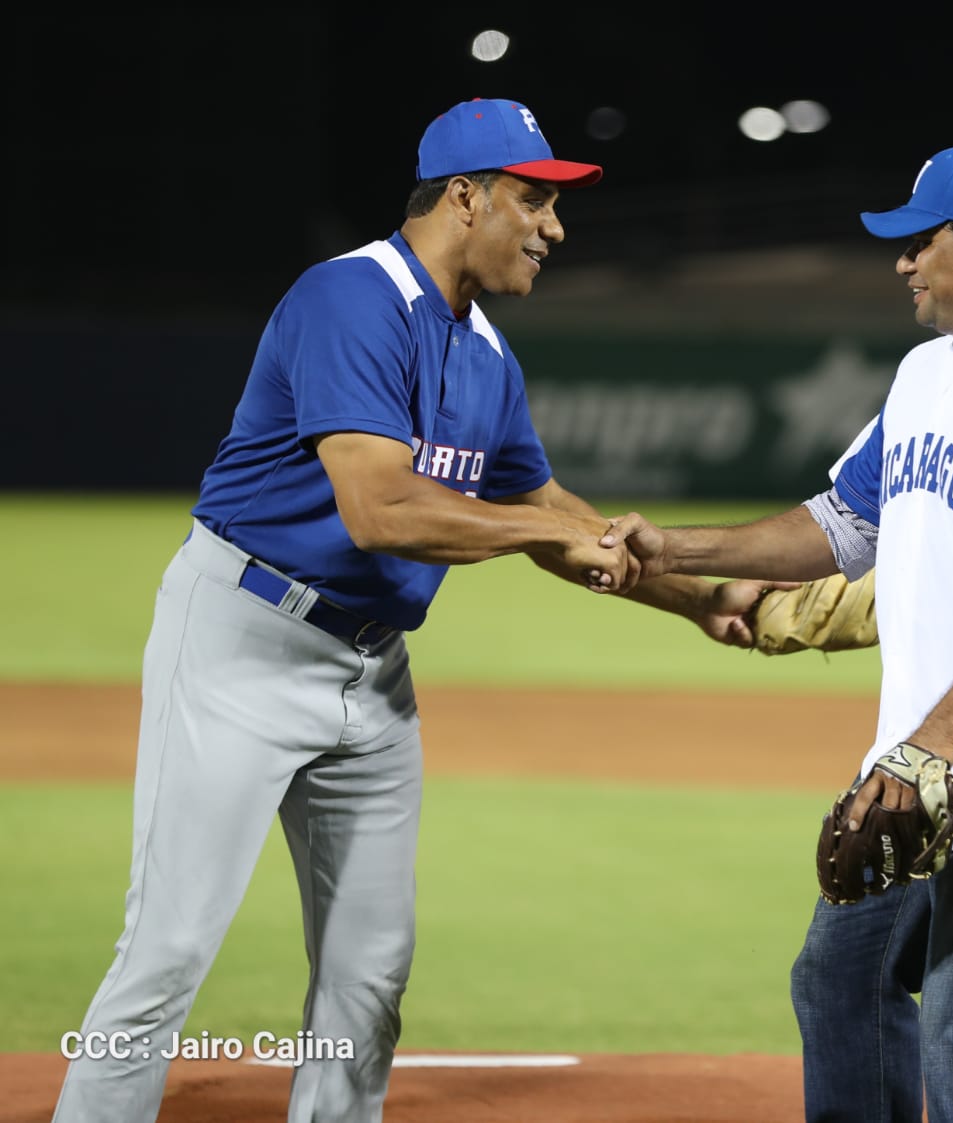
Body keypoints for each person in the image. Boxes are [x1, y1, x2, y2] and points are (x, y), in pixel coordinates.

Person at [51, 97, 785, 1123]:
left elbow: (550, 509)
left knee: (370, 972)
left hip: (374, 675)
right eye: (535, 200)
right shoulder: (350, 298)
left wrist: (699, 601)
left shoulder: (484, 352)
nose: (555, 227)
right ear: (464, 198)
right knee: (168, 948)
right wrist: (539, 533)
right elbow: (381, 510)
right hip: (244, 641)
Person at [602, 139, 953, 1121]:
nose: (900, 261)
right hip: (916, 760)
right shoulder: (925, 372)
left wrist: (926, 745)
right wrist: (677, 547)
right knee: (839, 982)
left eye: (918, 240)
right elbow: (840, 525)